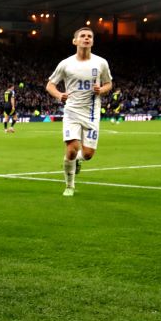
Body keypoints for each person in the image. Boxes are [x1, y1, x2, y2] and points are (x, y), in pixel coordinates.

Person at [46, 26, 112, 197]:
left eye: (89, 36)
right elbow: (50, 85)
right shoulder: (66, 64)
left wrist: (101, 90)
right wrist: (59, 95)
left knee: (88, 154)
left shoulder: (101, 63)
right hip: (72, 112)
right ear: (75, 41)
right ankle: (70, 186)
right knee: (72, 149)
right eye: (82, 36)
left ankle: (76, 161)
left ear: (93, 41)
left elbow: (109, 84)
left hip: (92, 113)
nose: (86, 38)